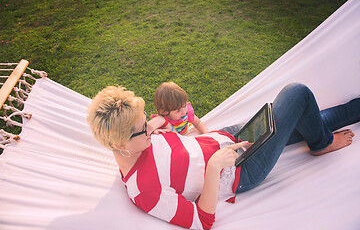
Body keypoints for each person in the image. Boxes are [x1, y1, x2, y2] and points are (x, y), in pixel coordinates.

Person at [86, 83, 359, 230]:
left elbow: (170, 145)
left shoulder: (138, 142)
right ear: (121, 145)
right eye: (142, 128)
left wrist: (156, 126)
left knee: (300, 117)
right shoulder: (145, 190)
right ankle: (321, 143)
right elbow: (201, 221)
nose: (149, 127)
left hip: (226, 136)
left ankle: (338, 122)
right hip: (242, 167)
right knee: (297, 94)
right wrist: (215, 167)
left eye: (146, 121)